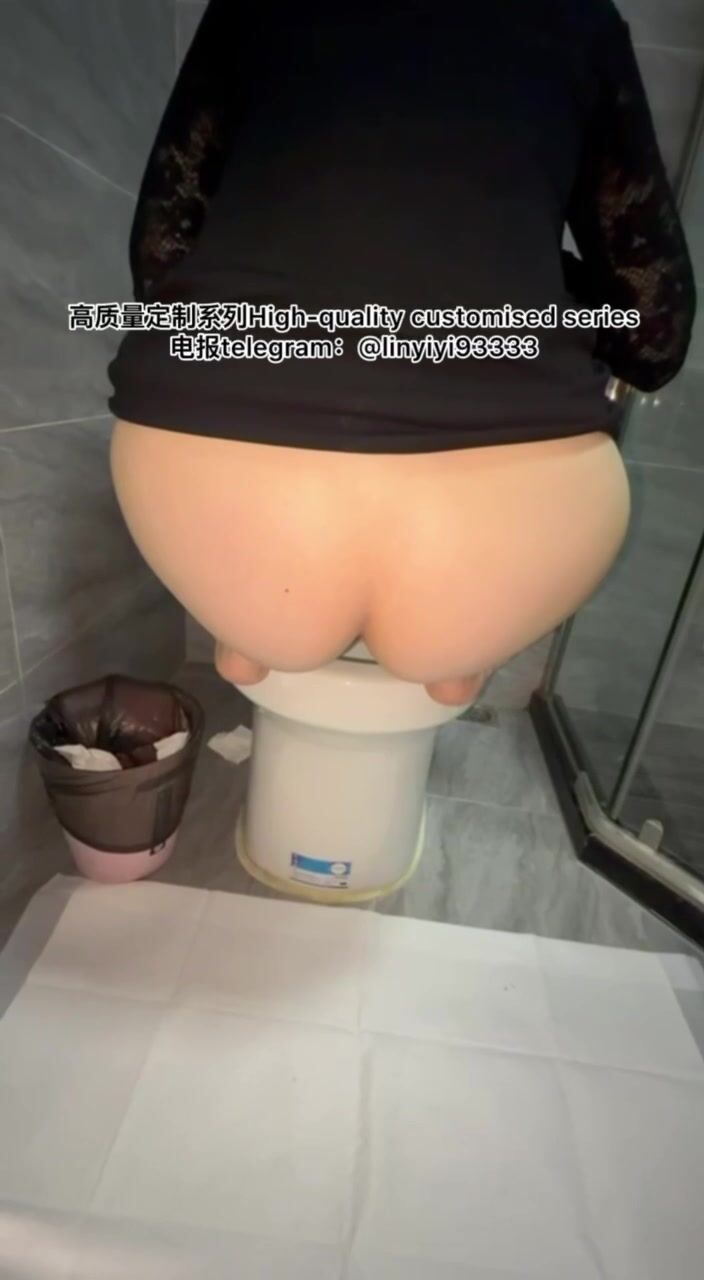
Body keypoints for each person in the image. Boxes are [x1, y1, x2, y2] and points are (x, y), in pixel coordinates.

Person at [108, 0, 696, 706]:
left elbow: (161, 251)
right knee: (451, 658)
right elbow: (654, 330)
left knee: (255, 622)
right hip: (511, 515)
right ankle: (455, 662)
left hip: (216, 484)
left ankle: (248, 639)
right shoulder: (579, 16)